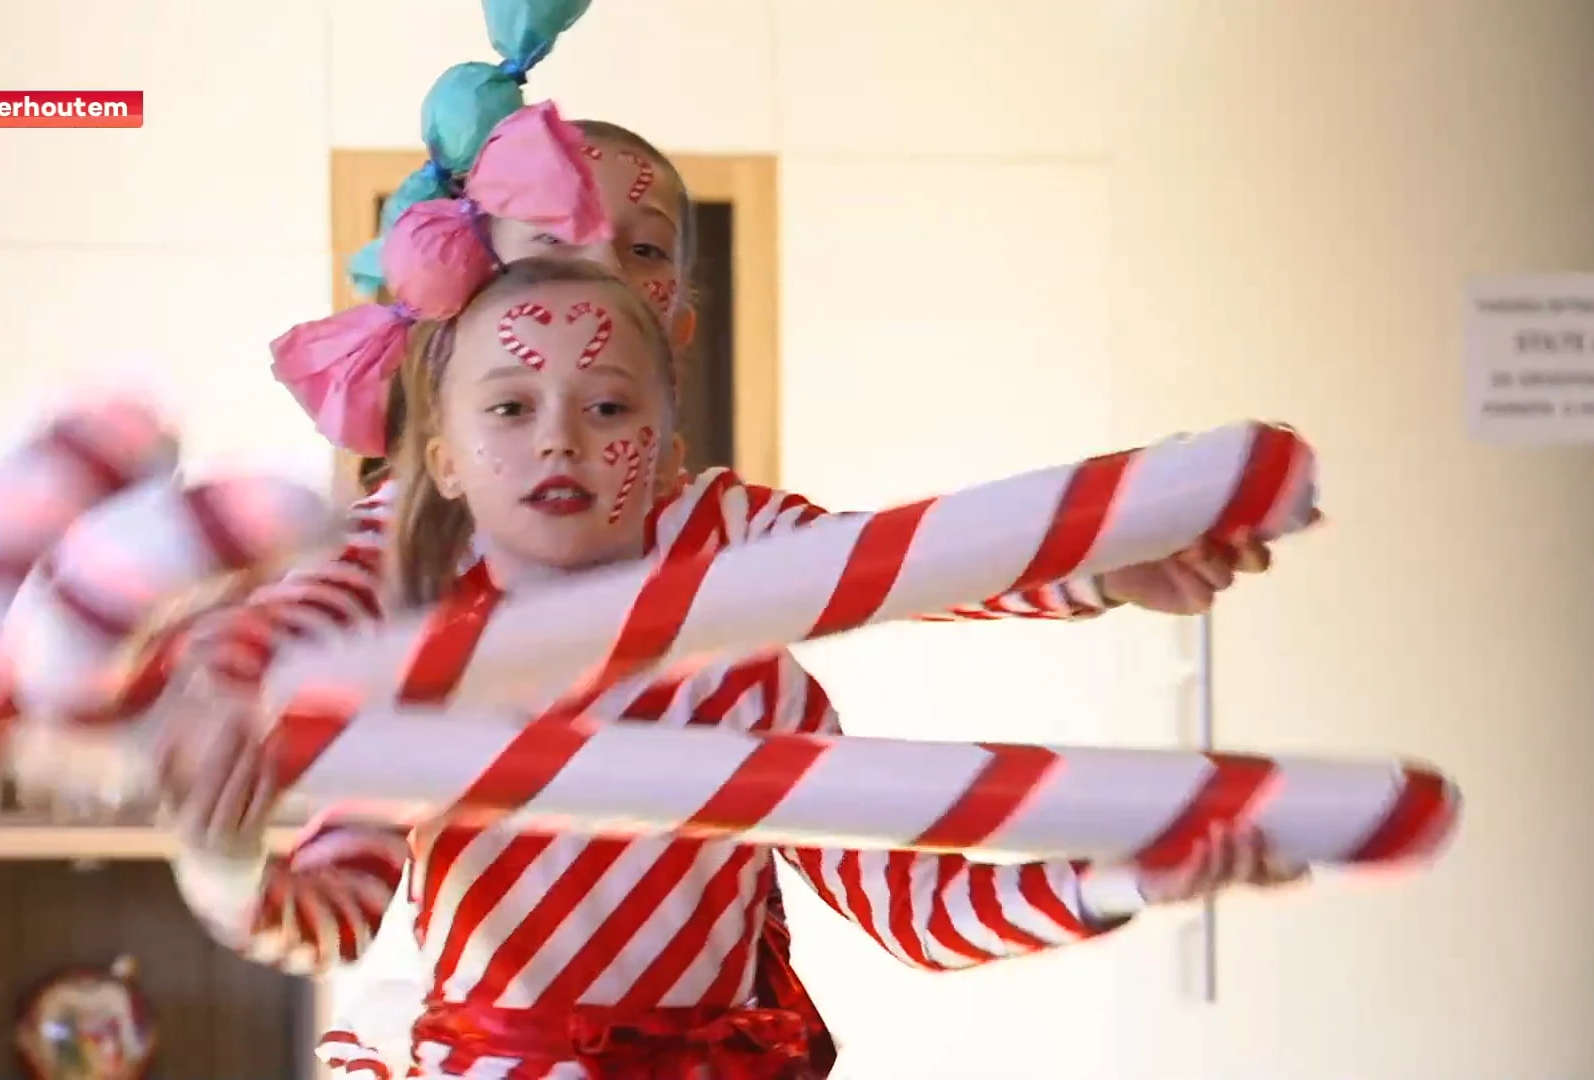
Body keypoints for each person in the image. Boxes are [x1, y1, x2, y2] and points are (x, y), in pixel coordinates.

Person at [159, 109, 1302, 1078]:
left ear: (676, 336)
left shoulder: (745, 585)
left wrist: (1106, 575)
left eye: (641, 247)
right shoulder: (411, 583)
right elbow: (321, 871)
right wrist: (221, 830)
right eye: (558, 235)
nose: (599, 263)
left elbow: (916, 567)